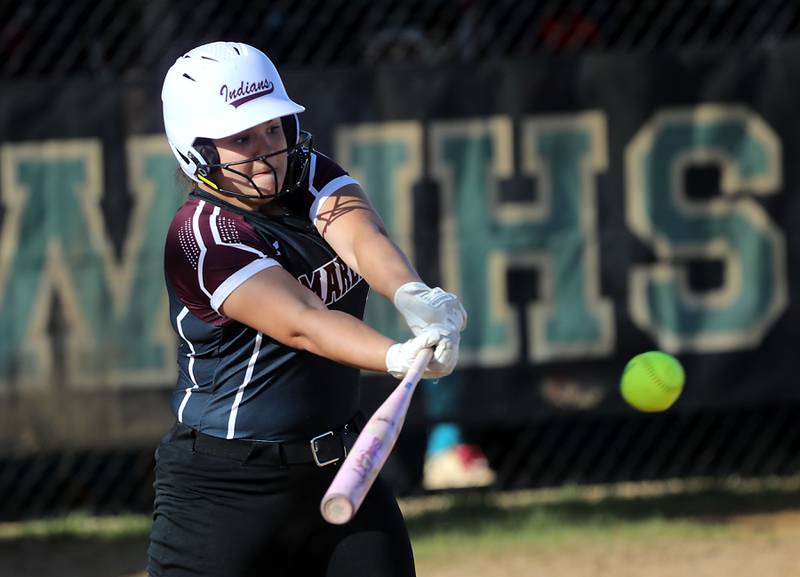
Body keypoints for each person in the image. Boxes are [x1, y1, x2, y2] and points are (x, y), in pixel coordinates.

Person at [148, 41, 467, 577]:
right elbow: (304, 323)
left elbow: (363, 239)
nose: (266, 150)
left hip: (343, 467)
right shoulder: (202, 238)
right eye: (241, 138)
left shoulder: (310, 174)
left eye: (273, 128)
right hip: (225, 492)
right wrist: (396, 355)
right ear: (197, 149)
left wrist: (416, 297)